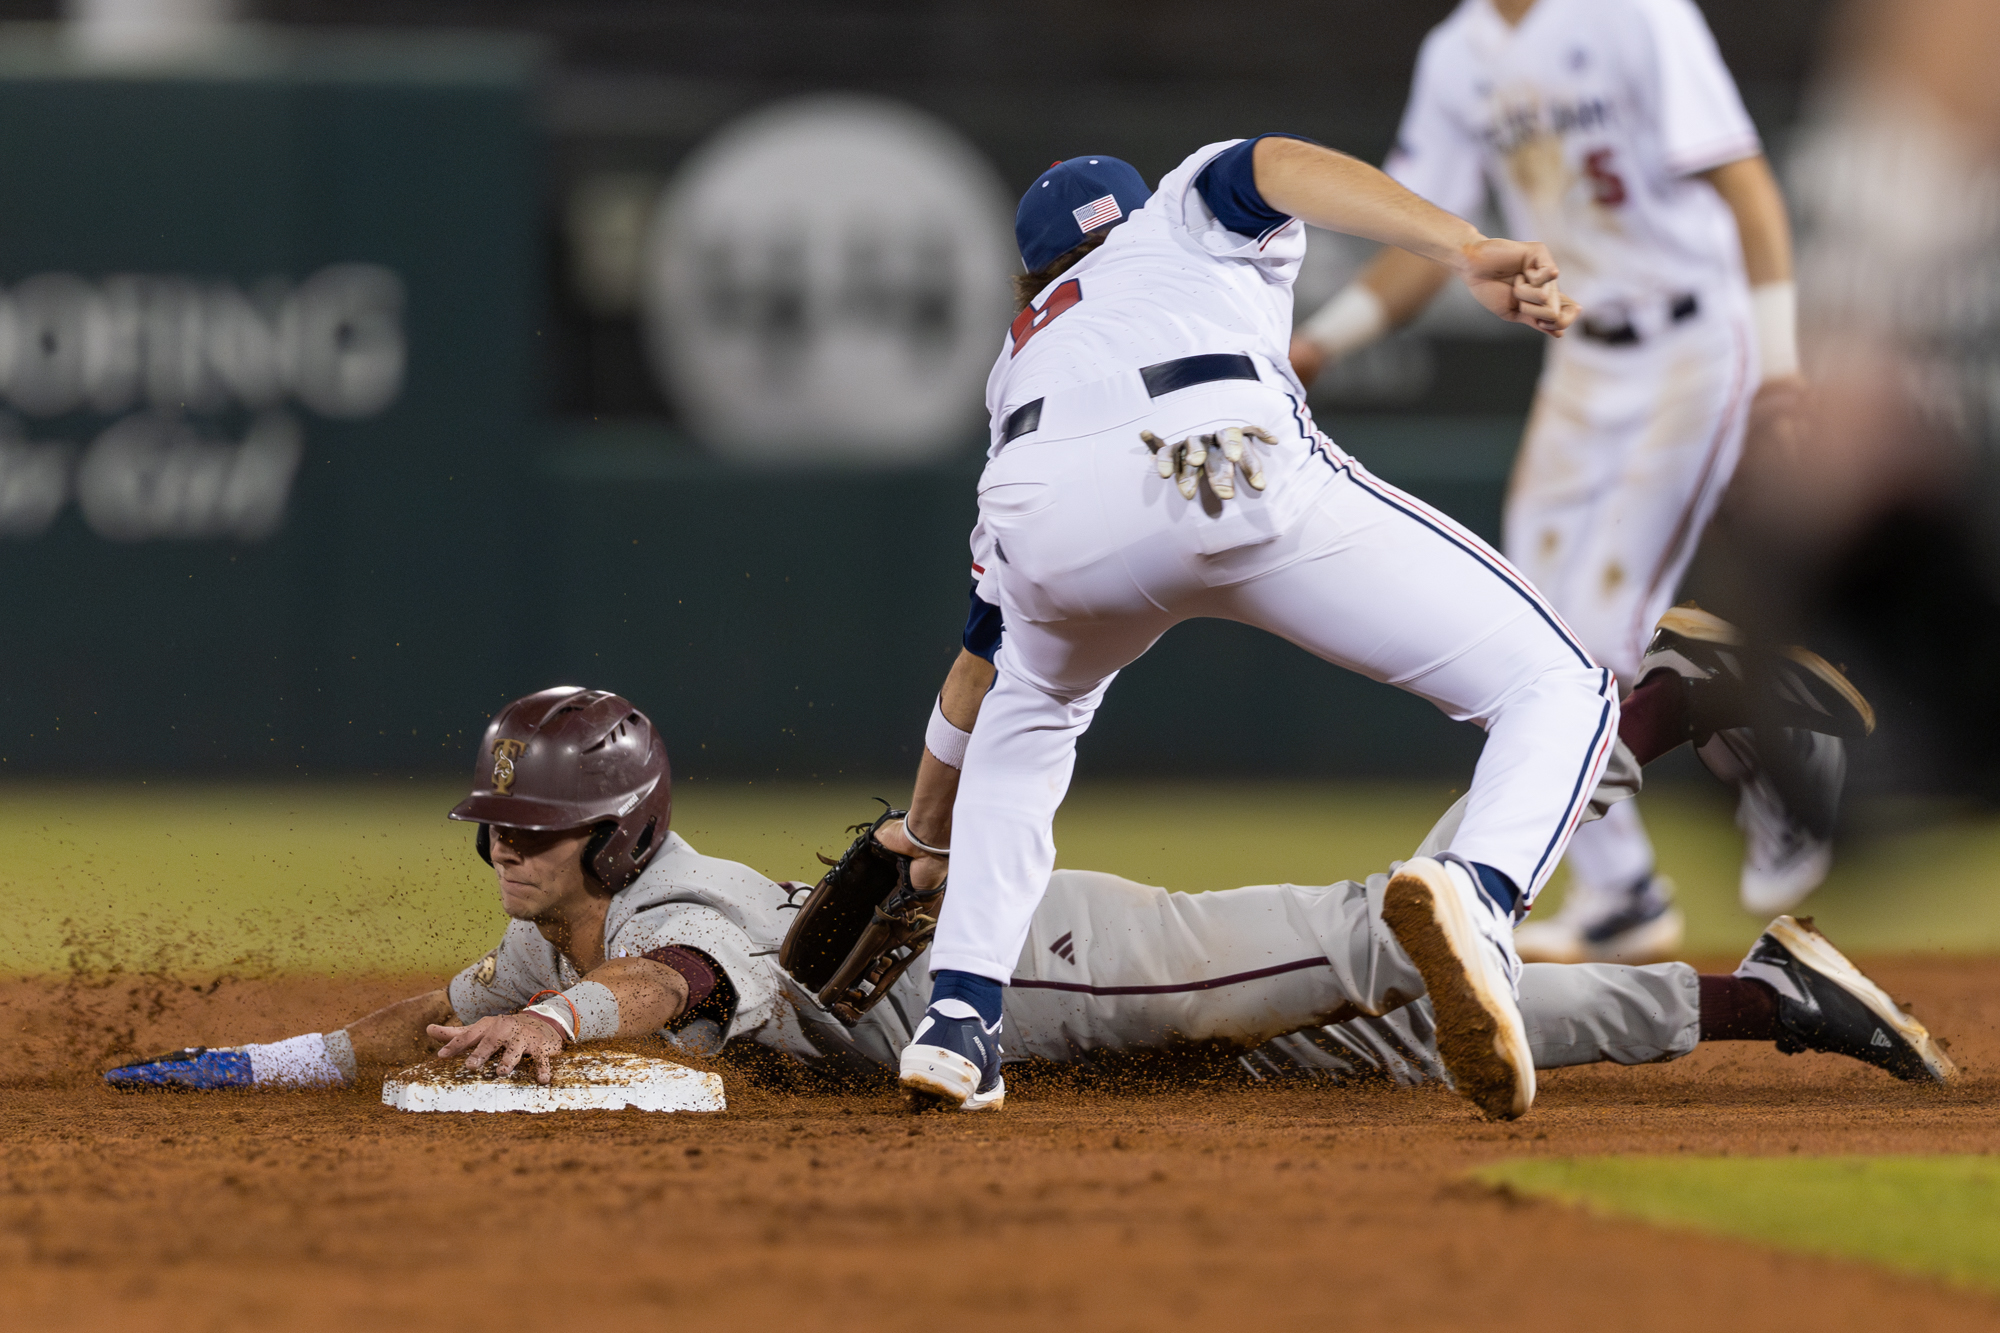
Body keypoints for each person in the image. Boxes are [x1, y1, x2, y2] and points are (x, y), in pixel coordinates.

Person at [105, 675, 1947, 1112]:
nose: (499, 848)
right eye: (492, 826)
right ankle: (1771, 997)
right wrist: (263, 1067)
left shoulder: (689, 899)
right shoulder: (542, 923)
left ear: (609, 828)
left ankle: (1629, 707)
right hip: (1033, 1028)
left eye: (523, 826)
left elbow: (672, 983)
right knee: (1413, 1041)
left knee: (1376, 927)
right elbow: (436, 1010)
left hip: (1060, 971)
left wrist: (564, 1019)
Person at [898, 132, 1605, 1124]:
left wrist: (922, 832)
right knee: (1559, 684)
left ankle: (958, 1020)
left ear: (1034, 274)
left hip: (1039, 500)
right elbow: (1271, 164)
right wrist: (1461, 245)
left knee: (1032, 708)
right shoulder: (1174, 217)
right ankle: (1478, 897)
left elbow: (978, 662)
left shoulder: (1017, 356)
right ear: (1132, 210)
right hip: (1219, 449)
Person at [1287, 0, 1851, 963]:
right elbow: (1428, 248)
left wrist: (1782, 365)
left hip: (1695, 342)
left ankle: (1777, 752)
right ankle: (1621, 889)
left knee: (1597, 618)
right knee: (1529, 627)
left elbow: (1745, 182)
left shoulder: (1635, 13)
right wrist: (1320, 345)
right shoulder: (1460, 52)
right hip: (1584, 360)